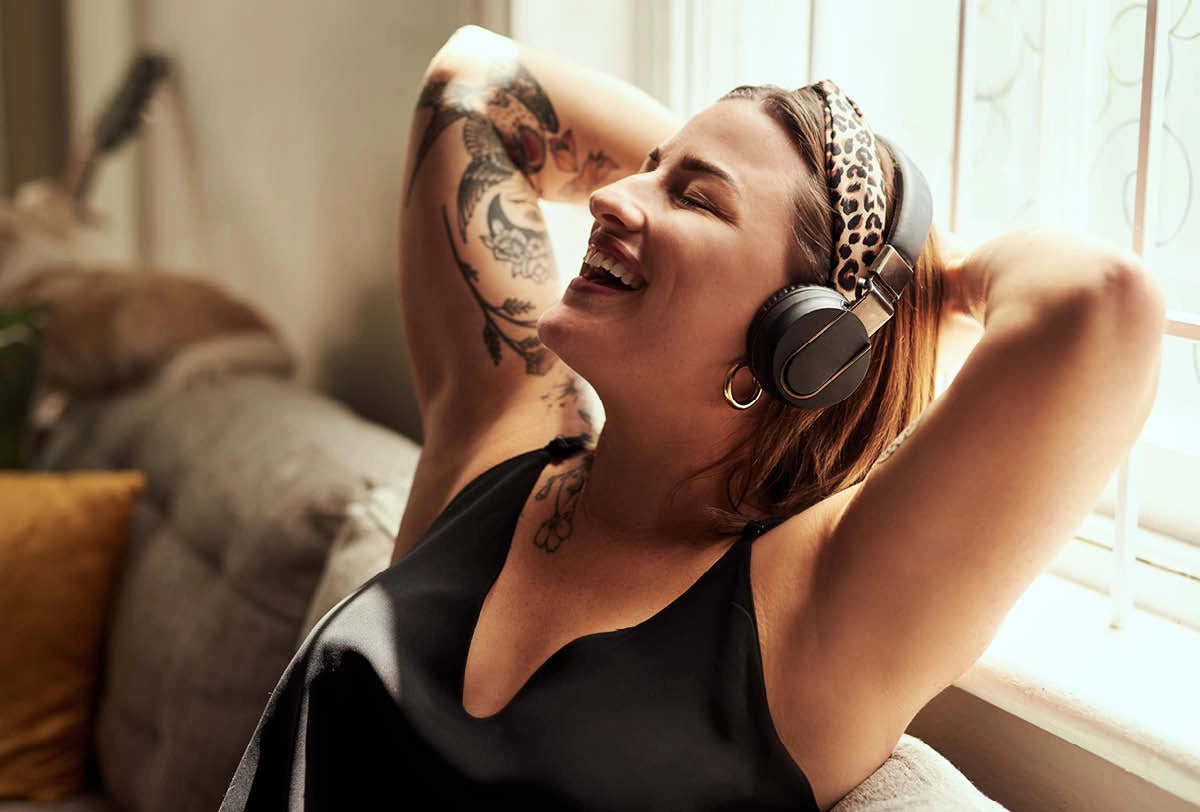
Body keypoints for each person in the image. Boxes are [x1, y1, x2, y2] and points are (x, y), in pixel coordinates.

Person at [220, 25, 1165, 812]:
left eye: (693, 196)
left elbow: (1103, 306)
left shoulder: (816, 615)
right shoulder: (503, 431)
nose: (611, 195)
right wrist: (724, 168)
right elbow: (476, 83)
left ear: (806, 338)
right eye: (652, 167)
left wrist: (915, 269)